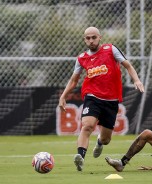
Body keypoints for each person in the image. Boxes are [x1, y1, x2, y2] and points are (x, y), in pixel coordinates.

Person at [58, 26, 145, 171]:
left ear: (100, 38)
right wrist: (63, 96)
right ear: (84, 39)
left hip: (111, 100)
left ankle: (99, 142)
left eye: (93, 37)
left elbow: (128, 65)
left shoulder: (111, 49)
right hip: (92, 97)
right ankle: (80, 157)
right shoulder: (81, 58)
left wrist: (136, 80)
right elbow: (74, 80)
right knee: (87, 126)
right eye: (88, 38)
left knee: (106, 139)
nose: (91, 41)